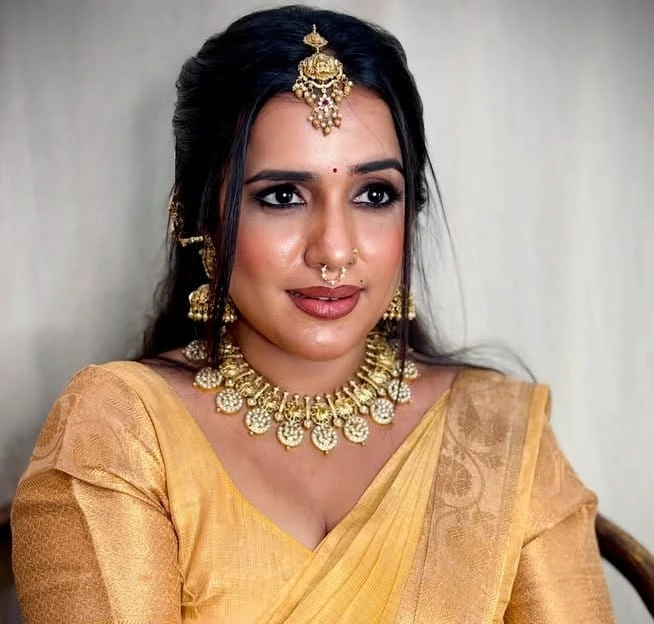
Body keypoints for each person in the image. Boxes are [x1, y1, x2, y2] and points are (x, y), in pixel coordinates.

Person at [10, 5, 614, 623]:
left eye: (374, 194)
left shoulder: (496, 435)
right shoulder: (123, 430)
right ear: (198, 215)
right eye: (283, 196)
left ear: (411, 212)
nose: (334, 251)